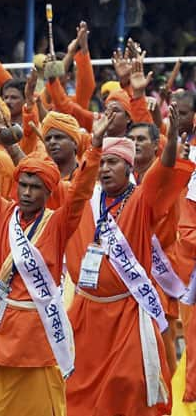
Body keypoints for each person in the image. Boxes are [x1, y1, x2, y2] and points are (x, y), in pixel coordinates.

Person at [0, 87, 103, 415]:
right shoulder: (3, 212)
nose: (26, 193)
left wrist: (95, 148)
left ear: (48, 191)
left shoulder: (58, 223)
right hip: (0, 328)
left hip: (39, 333)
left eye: (35, 188)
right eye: (22, 185)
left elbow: (81, 191)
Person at [65, 105, 194, 416]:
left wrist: (171, 138)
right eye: (103, 163)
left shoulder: (140, 200)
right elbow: (78, 184)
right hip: (86, 311)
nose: (106, 169)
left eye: (113, 163)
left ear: (129, 167)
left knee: (129, 383)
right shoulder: (86, 200)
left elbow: (162, 173)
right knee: (79, 389)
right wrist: (95, 146)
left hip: (128, 311)